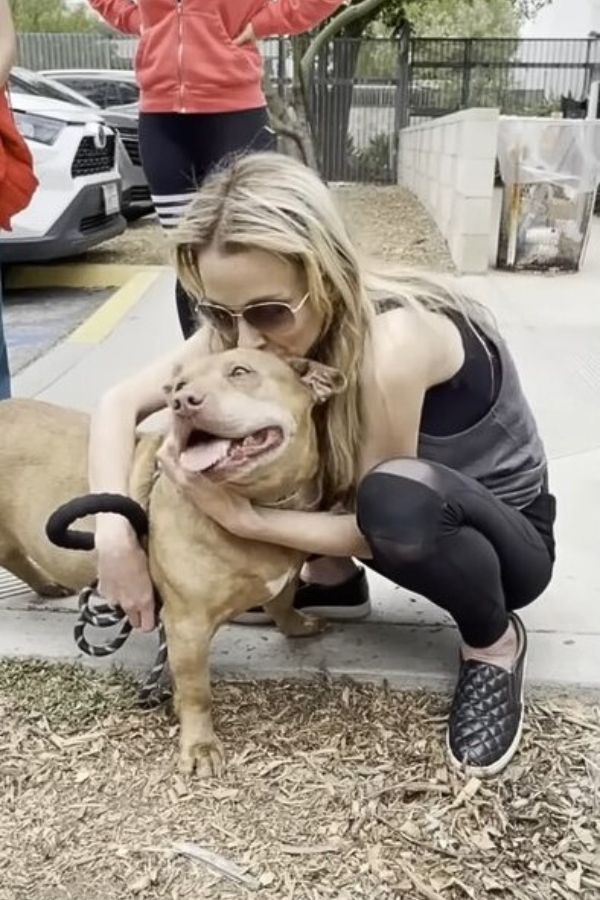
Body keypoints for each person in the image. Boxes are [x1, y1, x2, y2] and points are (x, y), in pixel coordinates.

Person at [89, 152, 556, 776]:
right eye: (221, 314)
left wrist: (243, 518)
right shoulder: (248, 326)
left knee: (392, 498)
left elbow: (378, 522)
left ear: (326, 272)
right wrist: (113, 538)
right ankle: (334, 581)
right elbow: (117, 403)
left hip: (497, 546)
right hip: (382, 517)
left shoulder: (394, 342)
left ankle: (493, 644)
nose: (245, 337)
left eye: (268, 313)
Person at [87, 0, 347, 338]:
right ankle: (205, 373)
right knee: (190, 261)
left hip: (234, 115)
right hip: (162, 121)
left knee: (251, 253)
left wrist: (263, 23)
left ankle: (264, 365)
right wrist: (140, 22)